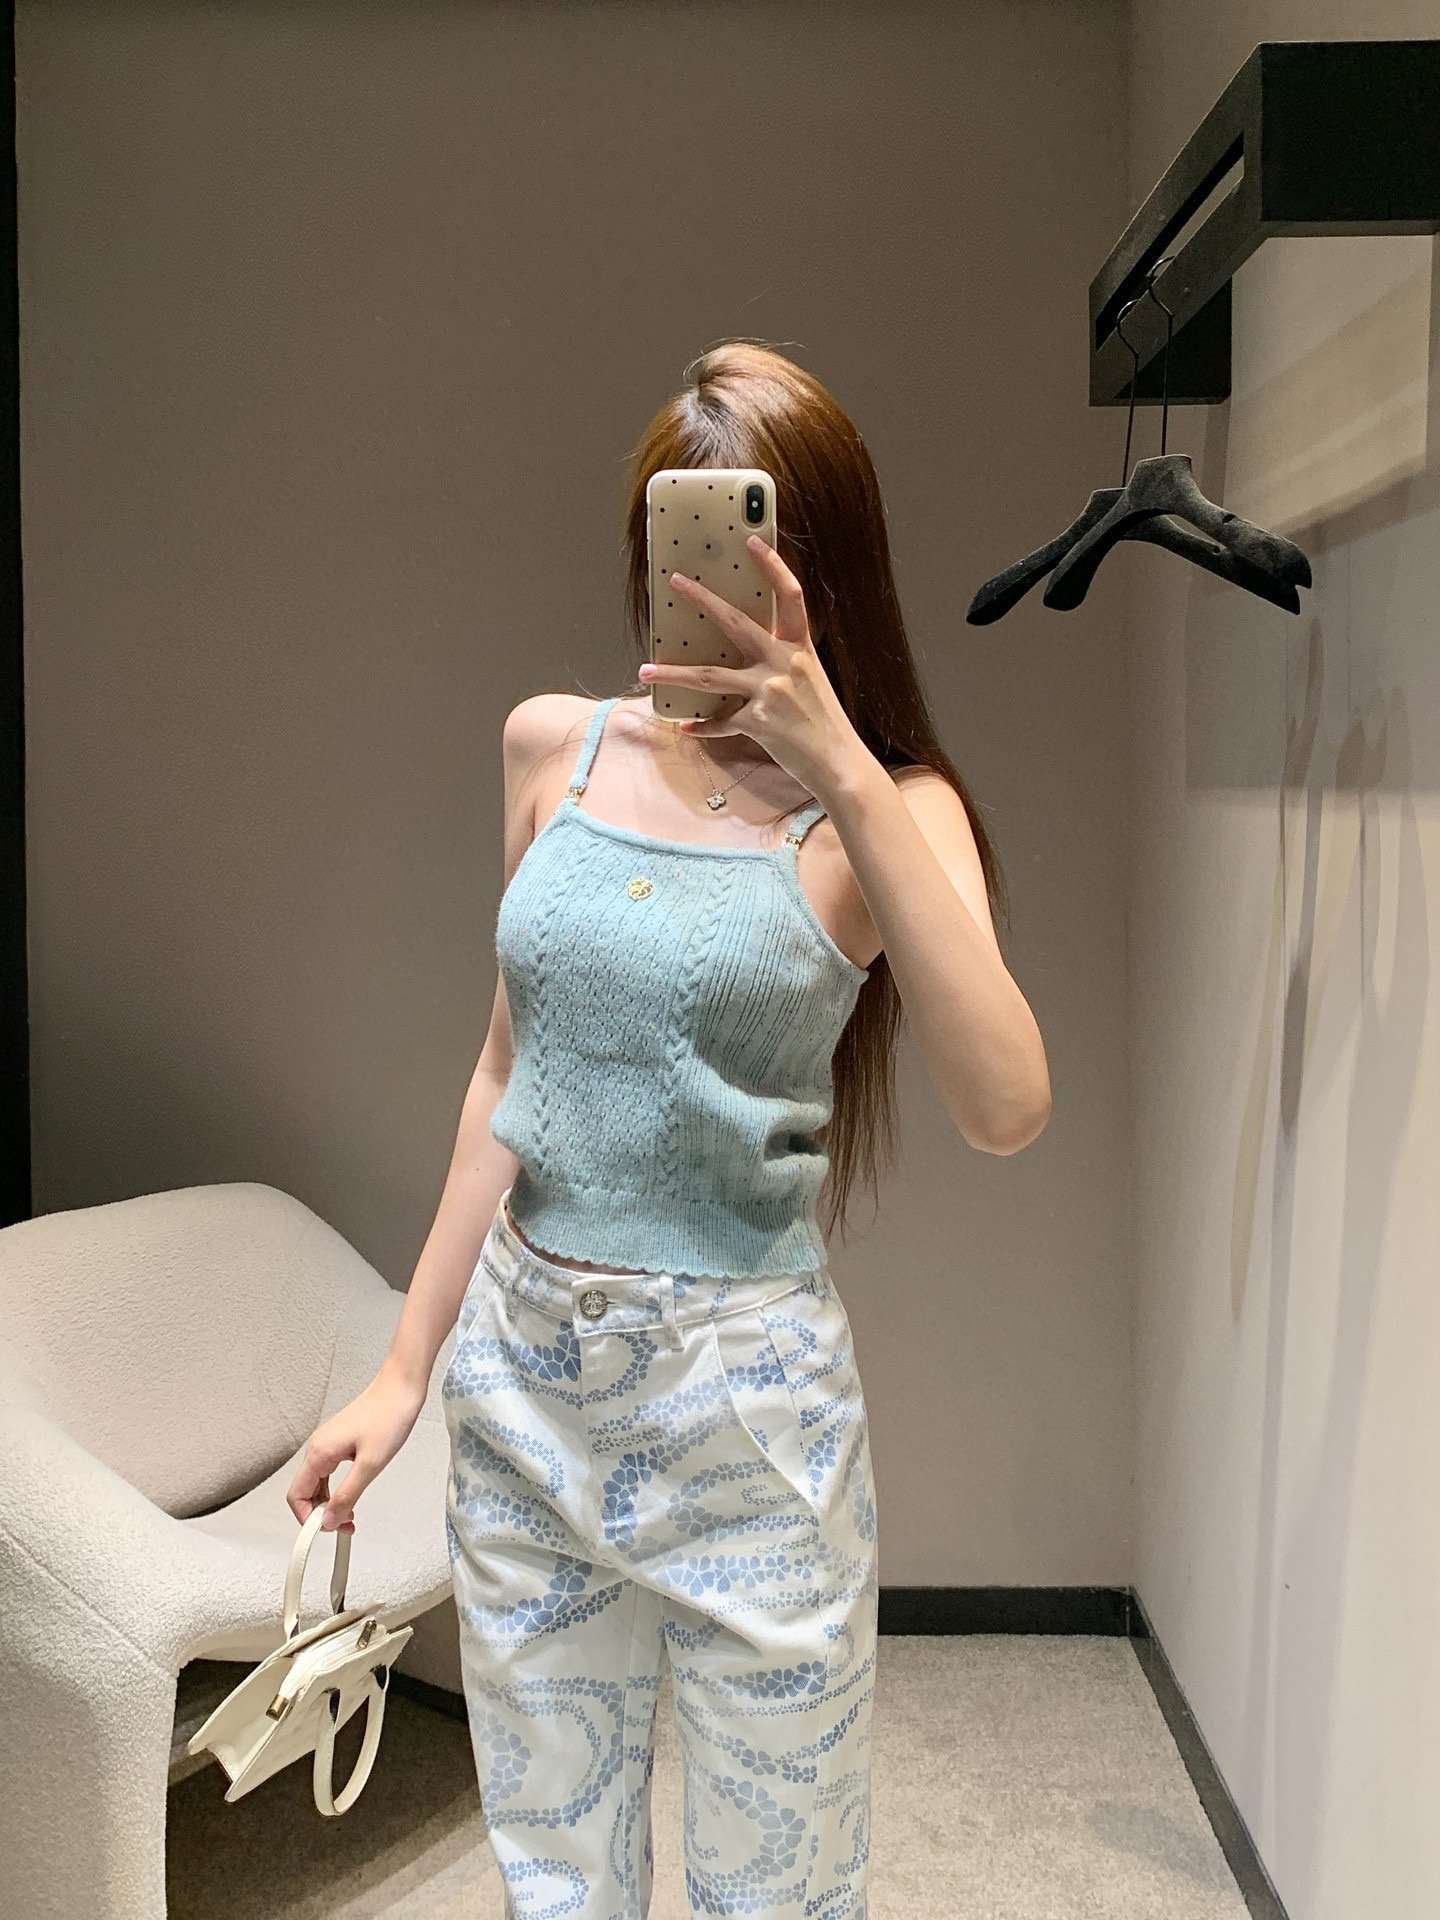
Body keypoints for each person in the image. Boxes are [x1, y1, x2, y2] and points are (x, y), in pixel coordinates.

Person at [288, 340, 1051, 1918]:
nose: (698, 594)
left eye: (743, 554)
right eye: (673, 546)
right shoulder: (549, 750)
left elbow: (1004, 1105)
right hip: (524, 1388)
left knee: (780, 1887)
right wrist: (404, 1369)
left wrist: (840, 763)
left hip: (748, 1424)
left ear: (821, 573)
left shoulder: (890, 817)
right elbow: (509, 1074)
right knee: (554, 1876)